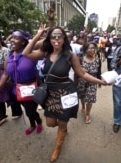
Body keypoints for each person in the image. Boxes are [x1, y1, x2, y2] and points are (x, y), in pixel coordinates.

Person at [22, 24, 109, 162]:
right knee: (50, 123)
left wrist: (101, 81)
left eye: (59, 36)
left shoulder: (70, 55)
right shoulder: (46, 52)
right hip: (50, 94)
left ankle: (57, 146)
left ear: (64, 39)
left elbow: (82, 74)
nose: (56, 39)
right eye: (53, 36)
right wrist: (38, 34)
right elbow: (26, 53)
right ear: (49, 39)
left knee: (62, 123)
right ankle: (63, 129)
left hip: (66, 93)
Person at [0, 30, 42, 135]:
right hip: (17, 89)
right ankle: (32, 124)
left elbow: (46, 42)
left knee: (30, 111)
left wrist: (40, 33)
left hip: (32, 88)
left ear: (23, 42)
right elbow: (6, 74)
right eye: (12, 37)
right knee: (27, 110)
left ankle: (38, 122)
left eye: (16, 38)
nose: (12, 40)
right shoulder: (9, 57)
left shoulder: (31, 54)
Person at [77, 42, 102, 124]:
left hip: (92, 82)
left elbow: (99, 72)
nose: (93, 50)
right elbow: (76, 72)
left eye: (94, 48)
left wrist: (100, 81)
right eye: (90, 48)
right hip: (81, 81)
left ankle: (87, 114)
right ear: (85, 50)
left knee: (90, 98)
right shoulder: (80, 59)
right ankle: (83, 106)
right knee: (82, 96)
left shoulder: (98, 60)